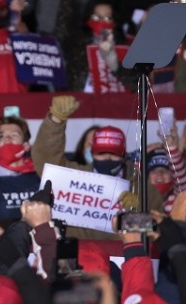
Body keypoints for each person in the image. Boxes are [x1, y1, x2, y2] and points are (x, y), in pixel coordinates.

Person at [31, 95, 164, 240]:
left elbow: (159, 229)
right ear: (92, 154)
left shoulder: (143, 190)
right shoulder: (74, 176)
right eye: (101, 153)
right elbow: (47, 161)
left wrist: (132, 214)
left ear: (124, 156)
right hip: (77, 253)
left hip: (121, 257)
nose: (107, 158)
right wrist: (56, 121)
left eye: (113, 154)